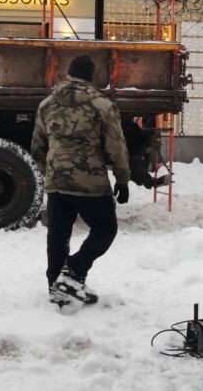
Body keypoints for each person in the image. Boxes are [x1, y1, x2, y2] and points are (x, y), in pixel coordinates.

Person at [31, 54, 131, 309]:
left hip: (57, 181)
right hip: (90, 182)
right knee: (105, 228)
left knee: (58, 235)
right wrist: (122, 179)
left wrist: (50, 172)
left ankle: (58, 287)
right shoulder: (102, 106)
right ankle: (75, 271)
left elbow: (37, 147)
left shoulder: (47, 104)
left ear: (69, 74)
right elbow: (116, 147)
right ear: (91, 77)